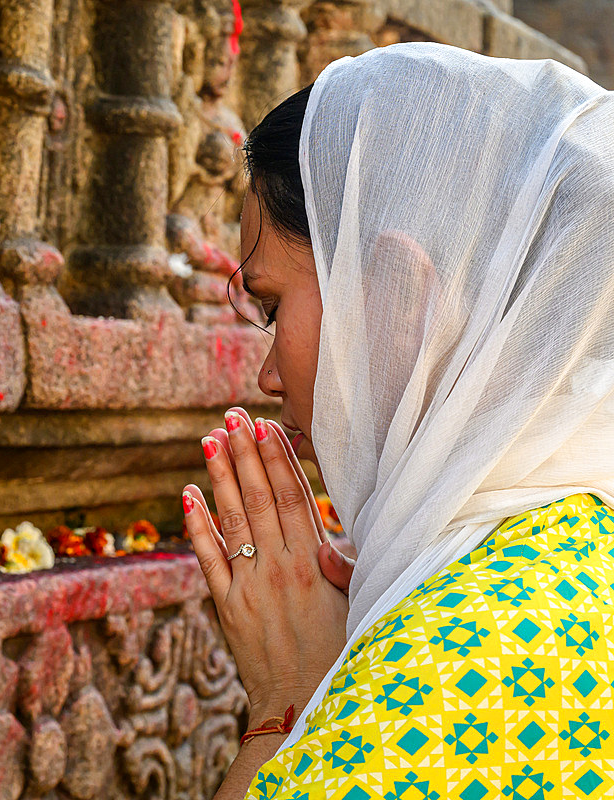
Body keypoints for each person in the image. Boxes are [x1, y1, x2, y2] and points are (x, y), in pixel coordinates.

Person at [181, 42, 614, 799]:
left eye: (273, 306)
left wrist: (288, 704)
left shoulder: (453, 667)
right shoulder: (577, 546)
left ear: (398, 294)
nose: (268, 375)